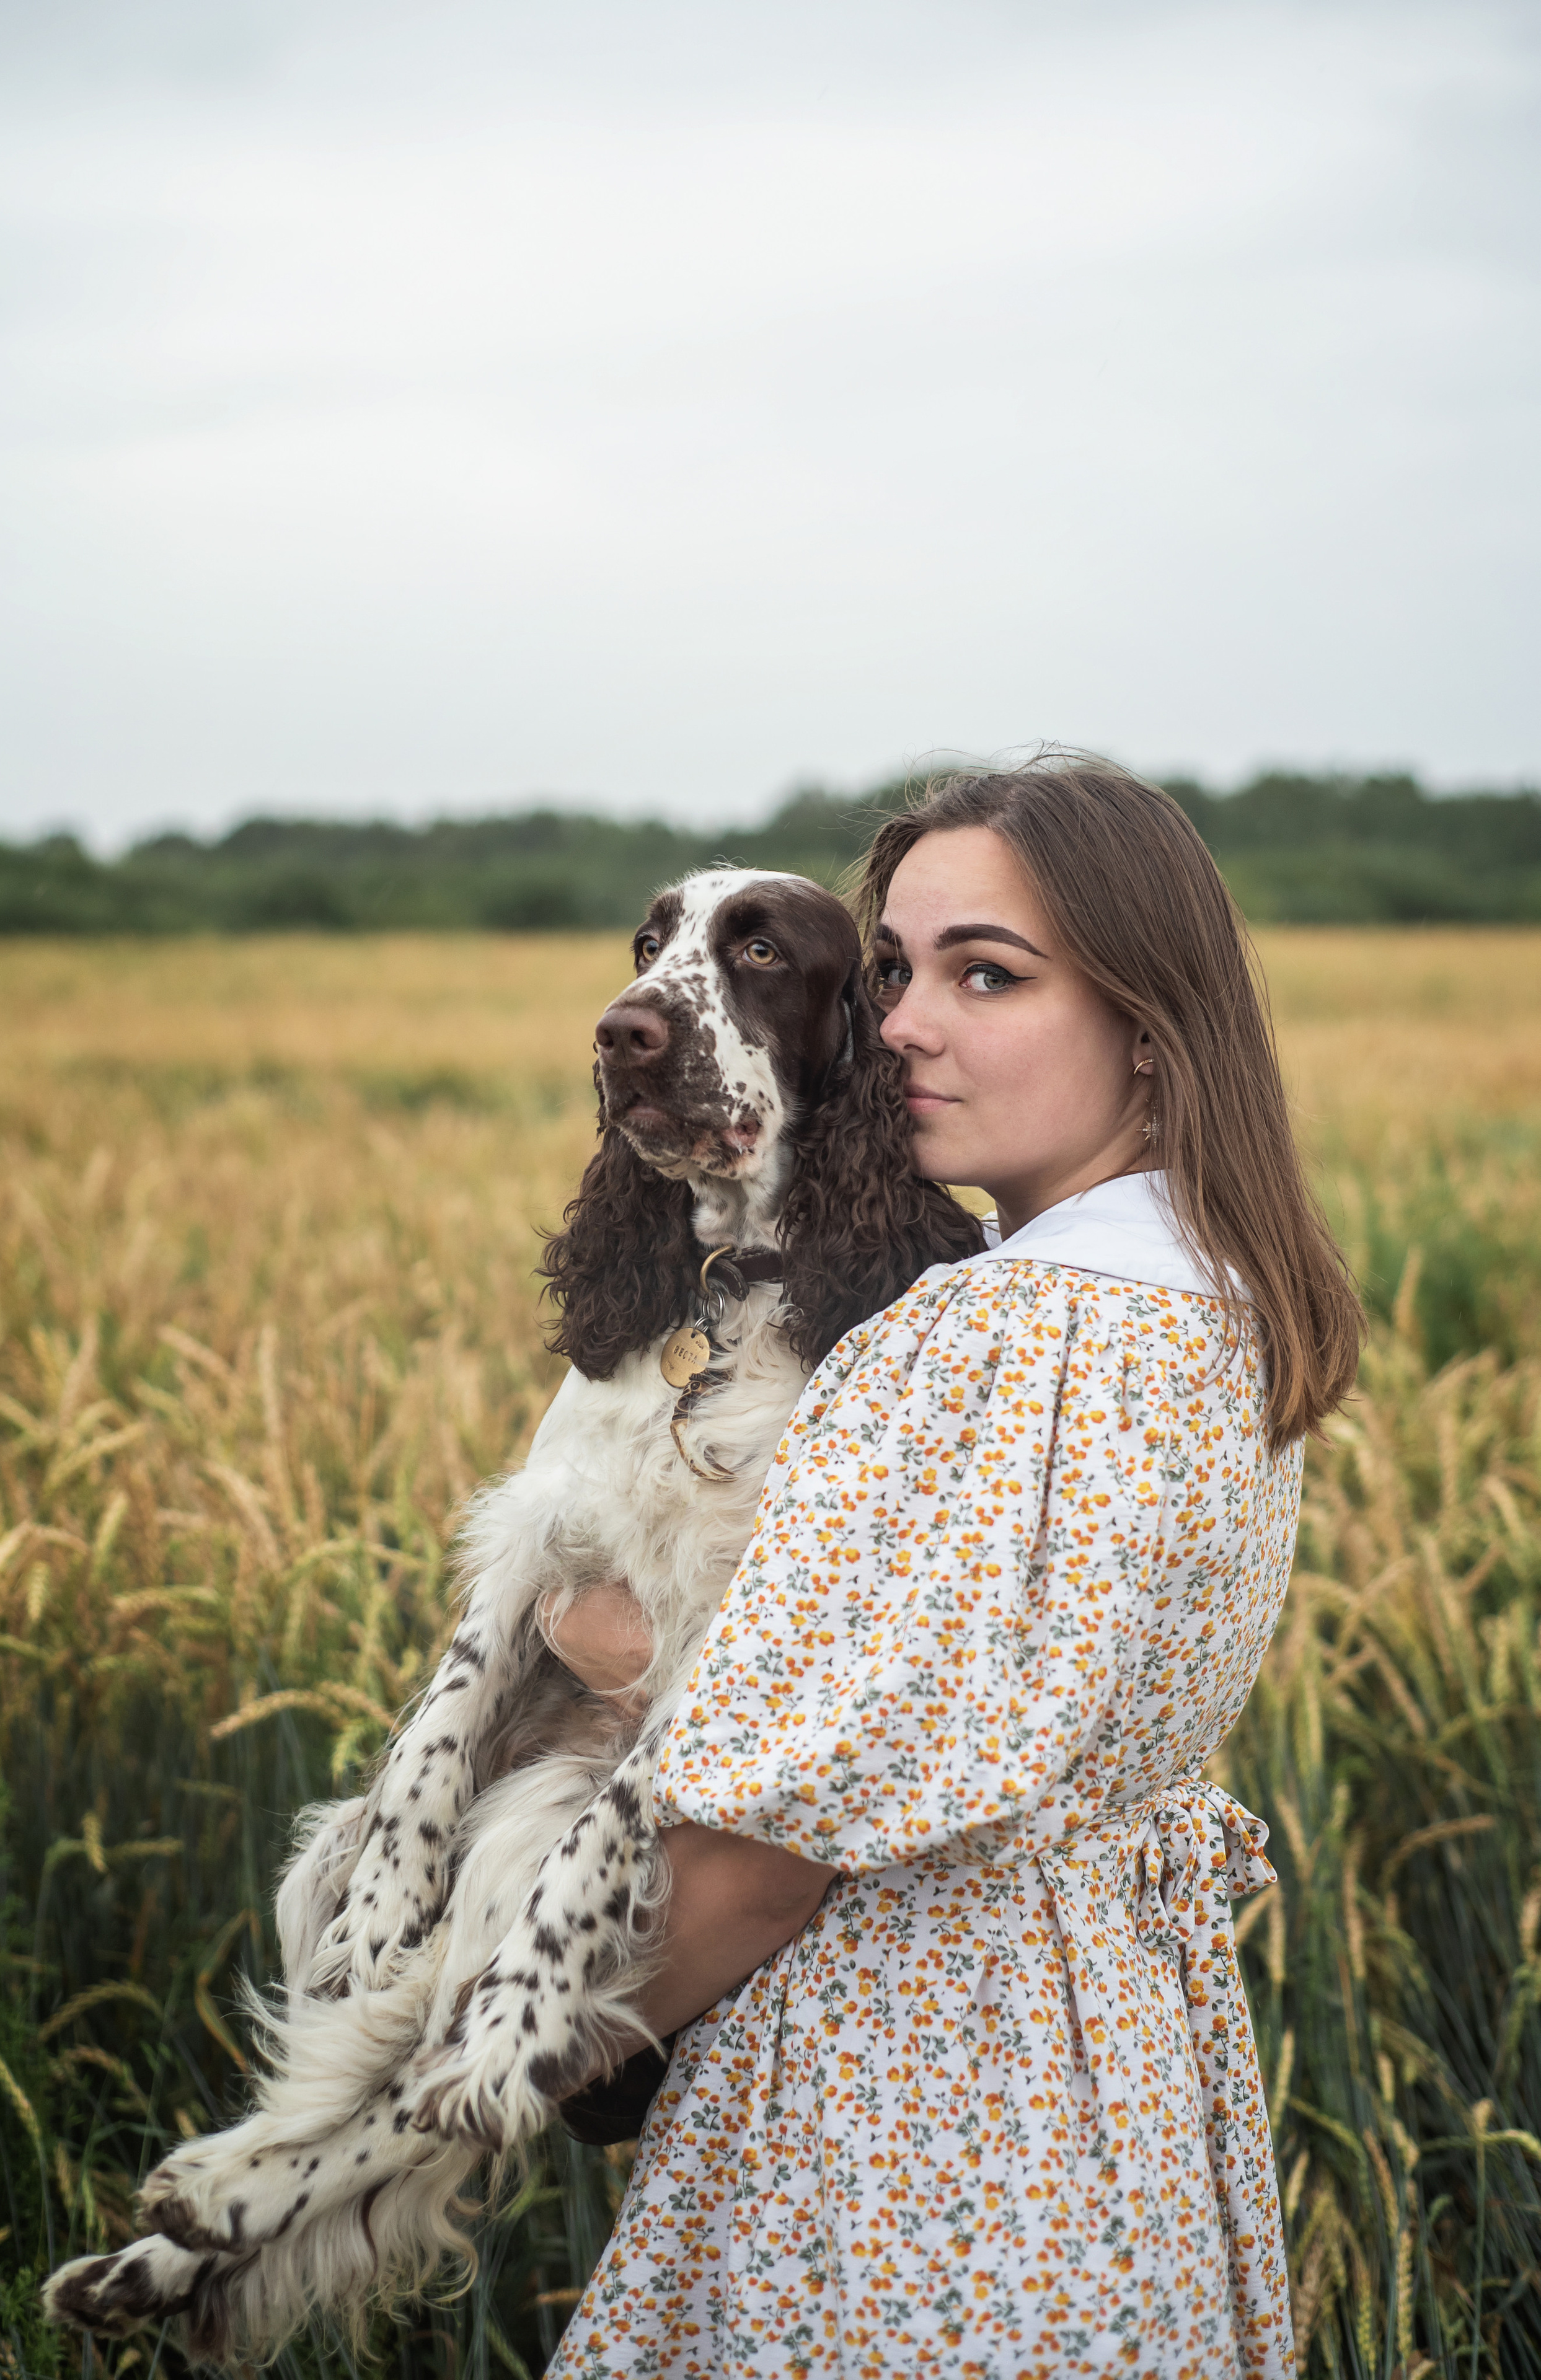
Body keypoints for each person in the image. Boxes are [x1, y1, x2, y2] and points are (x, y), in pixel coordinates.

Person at [539, 756, 1362, 2379]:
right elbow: (944, 1693)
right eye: (901, 969)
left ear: (1150, 1020)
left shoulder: (994, 1331)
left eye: (988, 974)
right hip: (1109, 2100)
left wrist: (509, 2074)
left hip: (888, 2118)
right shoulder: (1210, 1305)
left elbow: (781, 1836)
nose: (906, 1024)